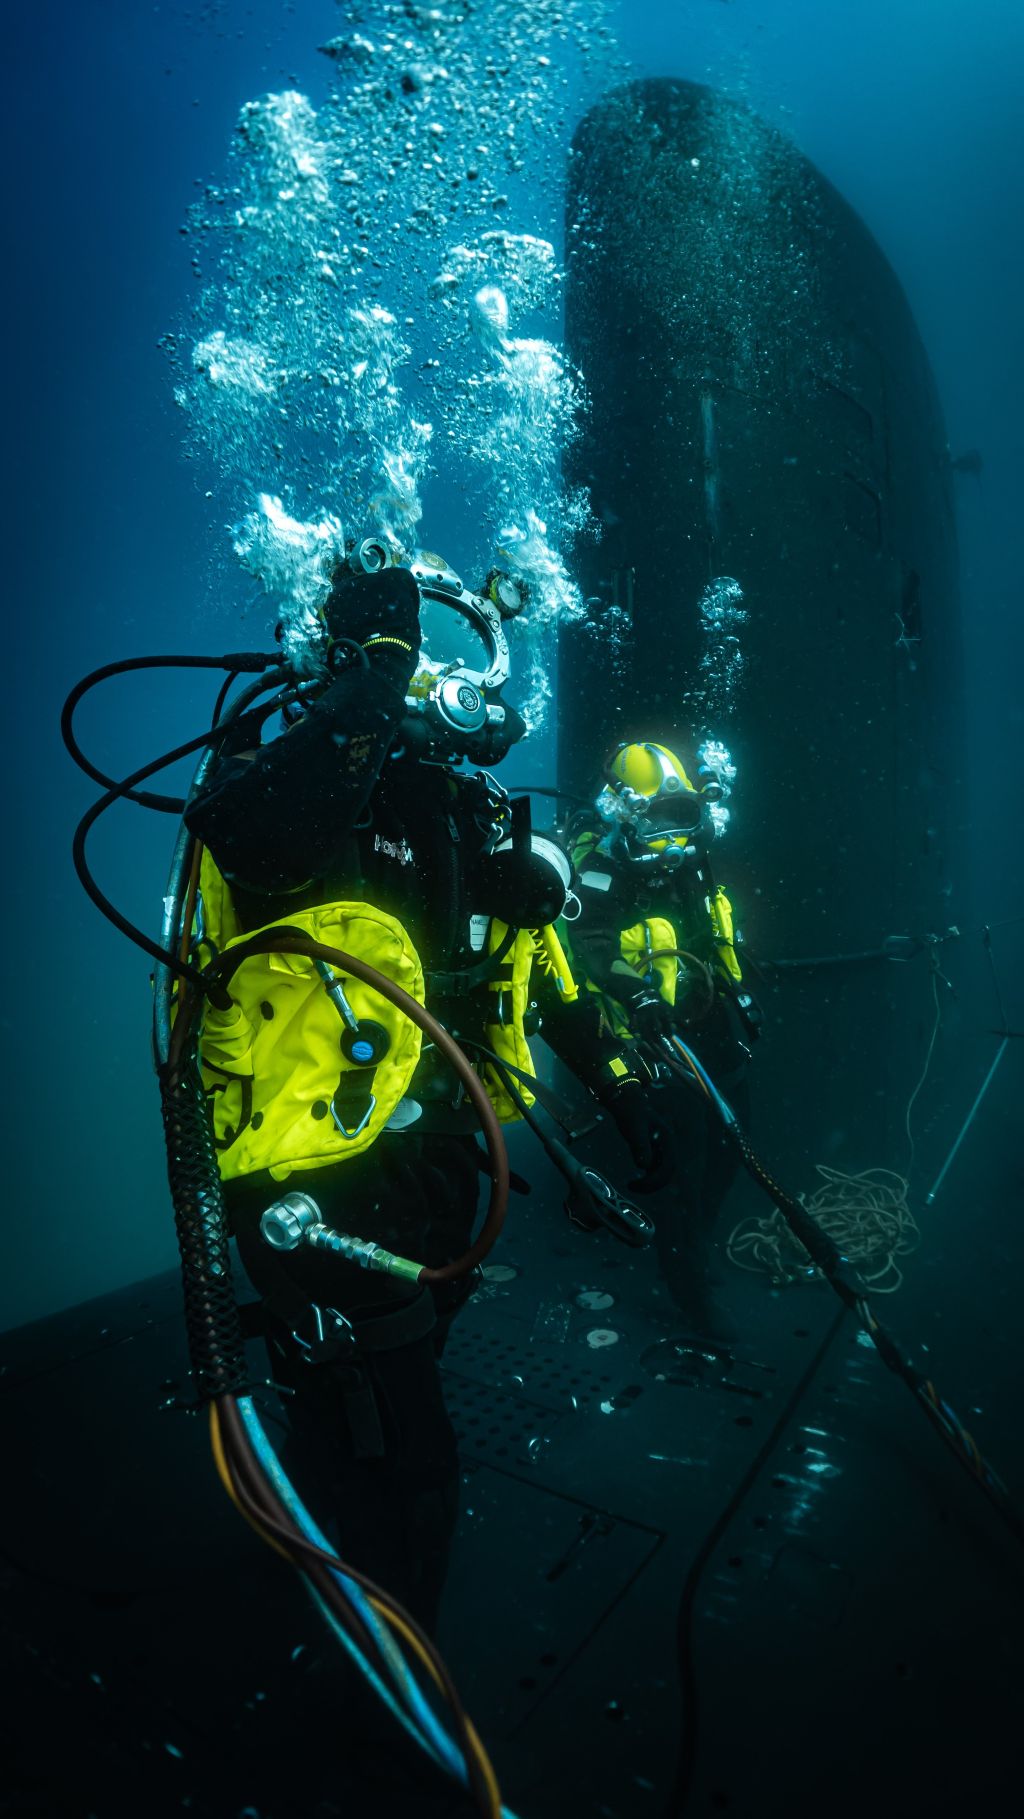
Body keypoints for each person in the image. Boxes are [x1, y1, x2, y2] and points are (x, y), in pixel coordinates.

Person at [183, 550, 663, 1632]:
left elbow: (548, 977)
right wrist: (362, 693)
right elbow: (253, 843)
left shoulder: (470, 812)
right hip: (317, 1173)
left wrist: (623, 1089)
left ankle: (324, 1528)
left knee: (370, 1393)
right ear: (357, 657)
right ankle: (395, 1657)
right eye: (412, 652)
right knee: (407, 1450)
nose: (436, 683)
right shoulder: (286, 774)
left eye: (457, 658)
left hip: (444, 1170)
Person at [563, 740, 761, 1340]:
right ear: (627, 813)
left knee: (733, 1141)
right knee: (684, 1157)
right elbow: (592, 945)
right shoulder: (602, 865)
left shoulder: (692, 859)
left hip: (701, 1017)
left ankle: (698, 1240)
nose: (673, 835)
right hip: (645, 1031)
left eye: (683, 815)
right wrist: (639, 997)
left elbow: (707, 931)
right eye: (659, 818)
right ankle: (689, 1288)